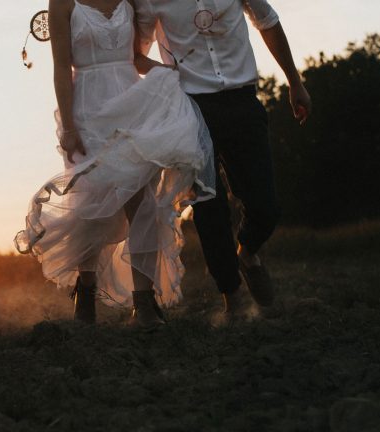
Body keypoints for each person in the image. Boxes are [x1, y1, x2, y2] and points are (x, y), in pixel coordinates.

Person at [15, 0, 215, 327]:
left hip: (132, 105)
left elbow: (134, 57)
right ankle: (86, 288)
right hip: (88, 111)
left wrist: (167, 74)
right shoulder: (62, 3)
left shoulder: (130, 0)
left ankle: (144, 302)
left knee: (143, 202)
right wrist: (67, 127)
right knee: (92, 205)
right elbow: (61, 68)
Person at [133, 0, 312, 312]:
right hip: (191, 109)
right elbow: (137, 56)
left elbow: (267, 21)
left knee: (265, 206)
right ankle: (232, 296)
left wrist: (294, 81)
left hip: (243, 101)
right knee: (208, 207)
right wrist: (165, 71)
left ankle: (248, 251)